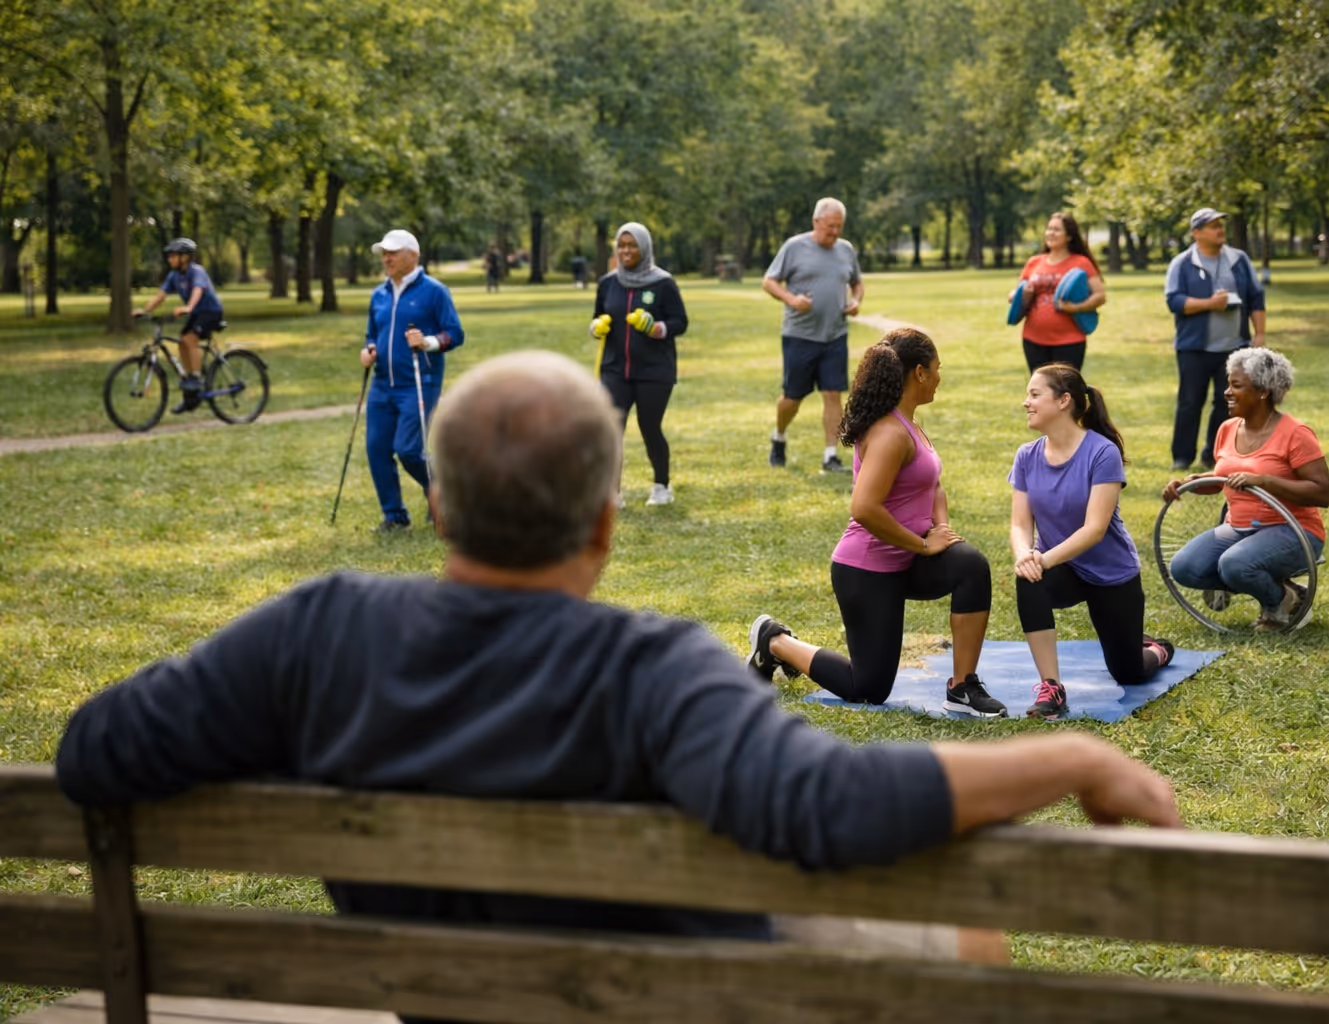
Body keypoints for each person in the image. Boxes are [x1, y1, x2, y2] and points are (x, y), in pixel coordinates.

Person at [54, 350, 1181, 978]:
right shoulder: (649, 666)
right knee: (964, 937)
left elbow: (96, 749)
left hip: (438, 993)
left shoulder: (314, 629)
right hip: (663, 995)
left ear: (439, 507)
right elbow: (829, 806)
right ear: (603, 524)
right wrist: (1073, 757)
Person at [746, 328, 1008, 719]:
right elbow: (864, 507)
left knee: (970, 565)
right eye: (937, 369)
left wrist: (942, 532)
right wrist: (923, 545)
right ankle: (775, 641)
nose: (940, 377)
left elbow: (934, 484)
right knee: (867, 689)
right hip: (867, 569)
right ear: (919, 373)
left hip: (908, 559)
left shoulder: (911, 424)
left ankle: (962, 686)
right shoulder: (889, 432)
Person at [1010, 364, 1176, 720]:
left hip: (1111, 573)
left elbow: (1094, 529)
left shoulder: (1102, 453)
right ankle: (1051, 686)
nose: (1026, 402)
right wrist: (1025, 555)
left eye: (1035, 394)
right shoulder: (1026, 456)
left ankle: (1157, 649)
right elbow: (1020, 523)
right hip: (1064, 567)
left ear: (1064, 401)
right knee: (1028, 578)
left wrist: (1043, 559)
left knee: (1129, 673)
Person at [1163, 348, 1329, 632]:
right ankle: (1283, 590)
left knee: (1234, 564)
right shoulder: (1228, 429)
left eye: (1236, 386)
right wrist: (1192, 482)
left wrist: (1265, 481)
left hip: (1294, 531)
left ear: (1263, 392)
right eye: (1228, 384)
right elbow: (1224, 479)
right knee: (1184, 568)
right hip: (1238, 528)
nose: (1227, 392)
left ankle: (1278, 604)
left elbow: (1322, 493)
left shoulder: (1295, 433)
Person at [360, 229, 465, 532]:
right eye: (384, 253)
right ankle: (394, 516)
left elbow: (455, 333)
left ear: (413, 255)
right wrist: (369, 349)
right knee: (377, 450)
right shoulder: (379, 294)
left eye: (393, 252)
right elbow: (372, 333)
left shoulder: (434, 291)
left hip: (419, 382)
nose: (386, 258)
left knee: (407, 449)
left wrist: (428, 342)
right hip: (382, 385)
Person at [763, 197, 865, 473]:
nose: (835, 231)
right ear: (816, 222)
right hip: (800, 336)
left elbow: (857, 283)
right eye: (830, 226)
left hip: (835, 335)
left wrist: (856, 301)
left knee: (833, 394)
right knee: (792, 398)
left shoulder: (846, 250)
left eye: (839, 226)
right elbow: (769, 281)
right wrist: (792, 300)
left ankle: (830, 455)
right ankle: (779, 436)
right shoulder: (794, 247)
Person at [590, 223, 688, 508]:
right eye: (622, 245)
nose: (626, 251)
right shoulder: (608, 283)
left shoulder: (663, 283)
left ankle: (661, 486)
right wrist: (596, 327)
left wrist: (656, 328)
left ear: (644, 248)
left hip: (654, 371)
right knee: (612, 429)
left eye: (632, 245)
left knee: (649, 427)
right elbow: (598, 316)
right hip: (614, 370)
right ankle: (612, 492)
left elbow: (680, 322)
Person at [1165, 208, 1267, 471]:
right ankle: (1182, 456)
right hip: (1193, 348)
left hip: (1234, 348)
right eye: (1212, 226)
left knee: (1227, 403)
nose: (1220, 230)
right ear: (1196, 233)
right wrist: (1210, 304)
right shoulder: (1182, 263)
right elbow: (1174, 301)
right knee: (1190, 402)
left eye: (1221, 225)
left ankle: (1214, 454)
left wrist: (1259, 334)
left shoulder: (1239, 259)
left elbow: (1256, 297)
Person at [136, 238, 223, 415]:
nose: (170, 259)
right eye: (169, 256)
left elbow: (198, 290)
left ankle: (196, 377)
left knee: (190, 339)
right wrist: (145, 311)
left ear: (185, 257)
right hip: (197, 314)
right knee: (182, 342)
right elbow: (160, 296)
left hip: (211, 312)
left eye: (173, 256)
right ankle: (190, 396)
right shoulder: (174, 276)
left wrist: (188, 307)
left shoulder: (197, 271)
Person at [1013, 213, 1106, 372]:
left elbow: (1100, 296)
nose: (1051, 233)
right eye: (1049, 229)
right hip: (1033, 338)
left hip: (1069, 340)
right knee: (1040, 386)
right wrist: (1019, 296)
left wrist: (1075, 308)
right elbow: (1019, 294)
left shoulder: (1081, 262)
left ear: (1069, 236)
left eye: (1057, 230)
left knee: (1065, 387)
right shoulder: (1034, 262)